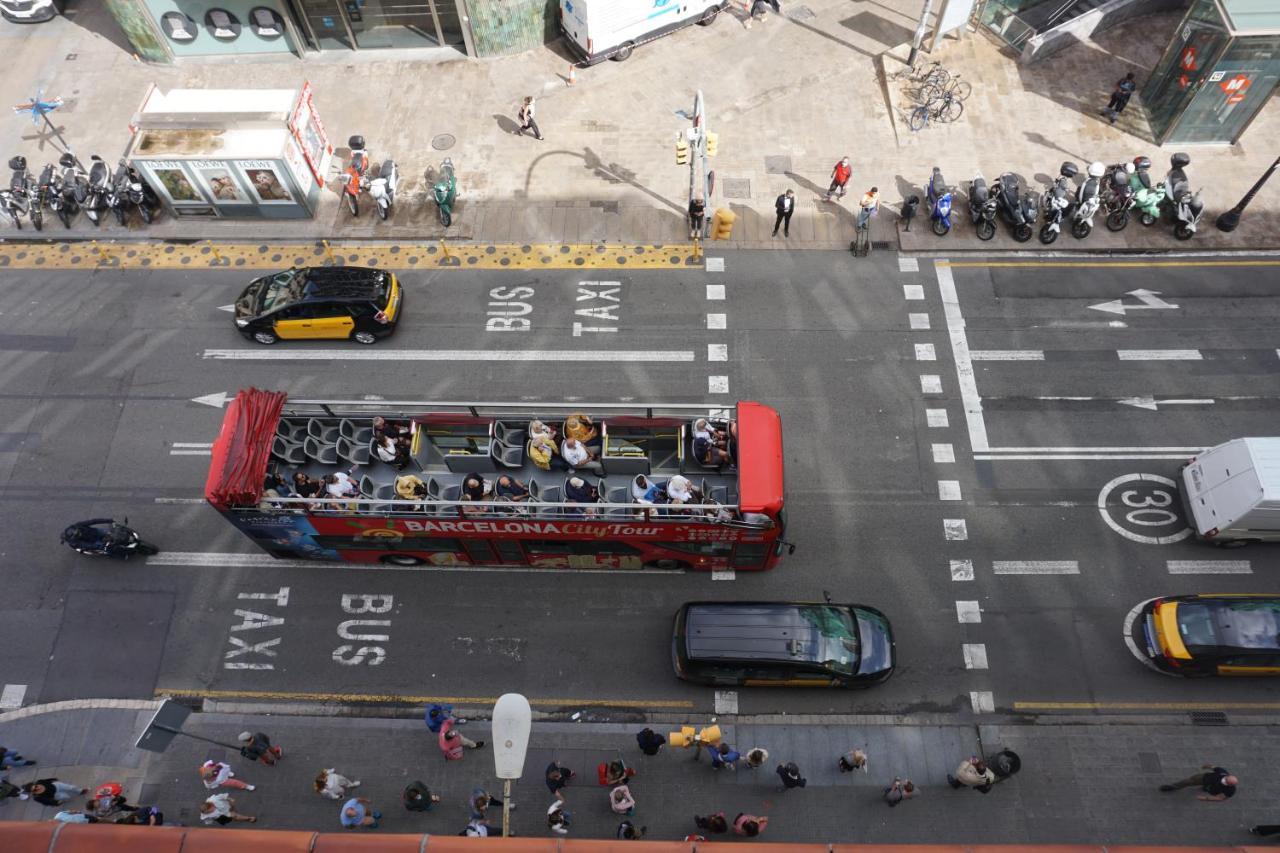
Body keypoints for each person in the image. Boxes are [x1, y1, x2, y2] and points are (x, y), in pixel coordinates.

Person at [1160, 764, 1237, 800]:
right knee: (1188, 781)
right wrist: (1206, 766)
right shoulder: (1223, 773)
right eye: (1226, 777)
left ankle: (1204, 788)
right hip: (1203, 778)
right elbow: (1214, 767)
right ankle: (1173, 787)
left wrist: (1206, 798)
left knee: (1205, 788)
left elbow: (1221, 798)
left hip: (1210, 788)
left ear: (1230, 784)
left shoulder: (1231, 790)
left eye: (1226, 780)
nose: (1225, 778)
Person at [21, 779, 87, 806]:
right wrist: (56, 803)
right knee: (66, 797)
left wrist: (54, 779)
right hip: (55, 795)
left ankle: (81, 791)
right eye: (34, 790)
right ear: (32, 792)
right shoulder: (36, 797)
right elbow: (46, 802)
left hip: (56, 785)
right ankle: (64, 800)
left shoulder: (39, 782)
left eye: (35, 786)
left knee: (71, 787)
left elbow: (47, 780)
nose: (37, 788)